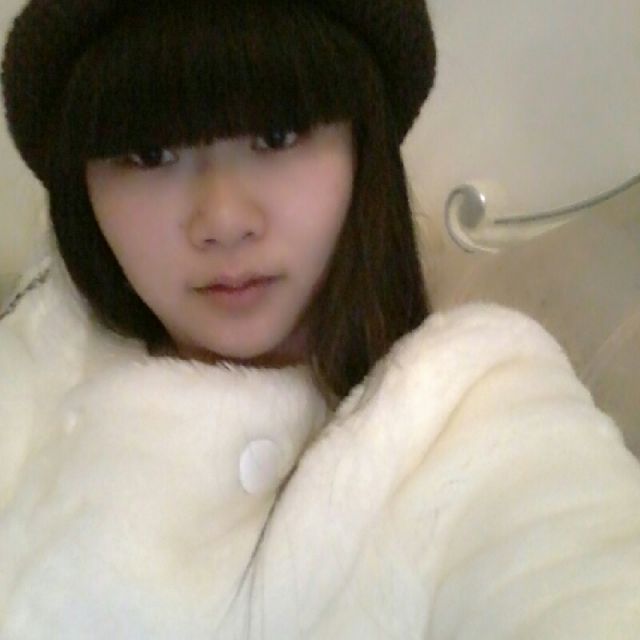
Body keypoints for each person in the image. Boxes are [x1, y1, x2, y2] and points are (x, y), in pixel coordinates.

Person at [0, 0, 638, 638]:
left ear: (361, 147)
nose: (224, 220)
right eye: (149, 153)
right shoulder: (35, 351)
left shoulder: (471, 405)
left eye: (278, 135)